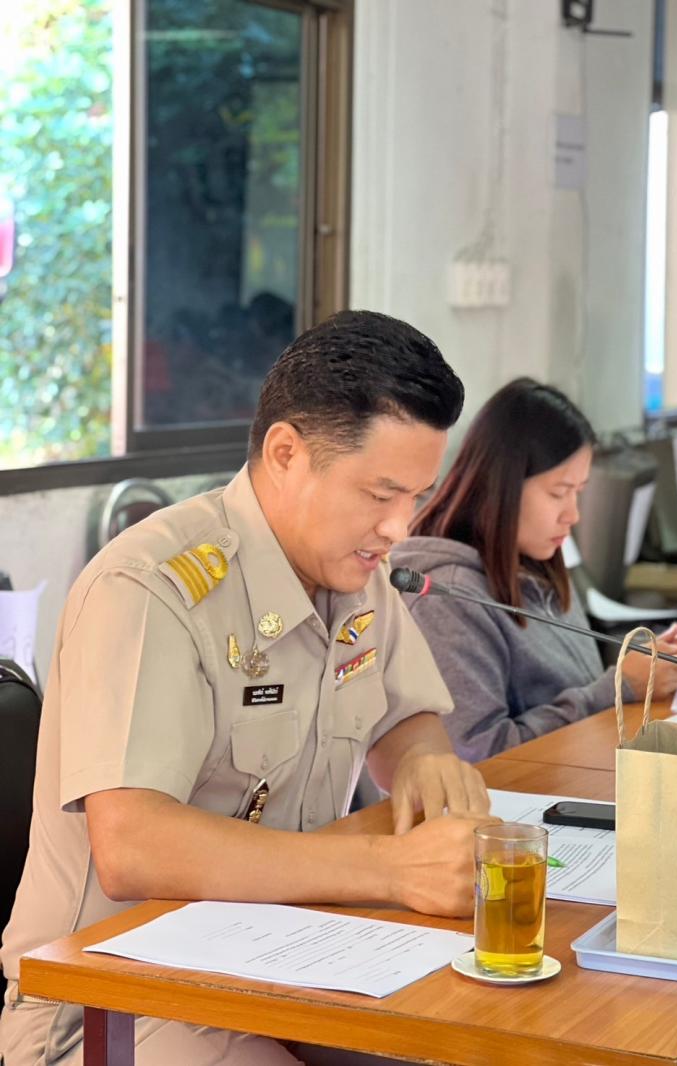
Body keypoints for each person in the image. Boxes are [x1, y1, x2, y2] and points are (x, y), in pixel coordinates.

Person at [0, 310, 493, 1066]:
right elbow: (132, 846)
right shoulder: (151, 588)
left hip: (284, 957)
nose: (400, 527)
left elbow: (406, 713)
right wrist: (391, 870)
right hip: (117, 1002)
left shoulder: (354, 571)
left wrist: (425, 761)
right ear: (287, 453)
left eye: (416, 498)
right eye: (380, 494)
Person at [391, 377, 677, 762]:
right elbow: (479, 754)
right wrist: (618, 687)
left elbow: (574, 688)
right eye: (558, 493)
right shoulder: (447, 596)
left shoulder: (539, 562)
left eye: (578, 492)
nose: (572, 515)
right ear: (503, 486)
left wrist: (645, 669)